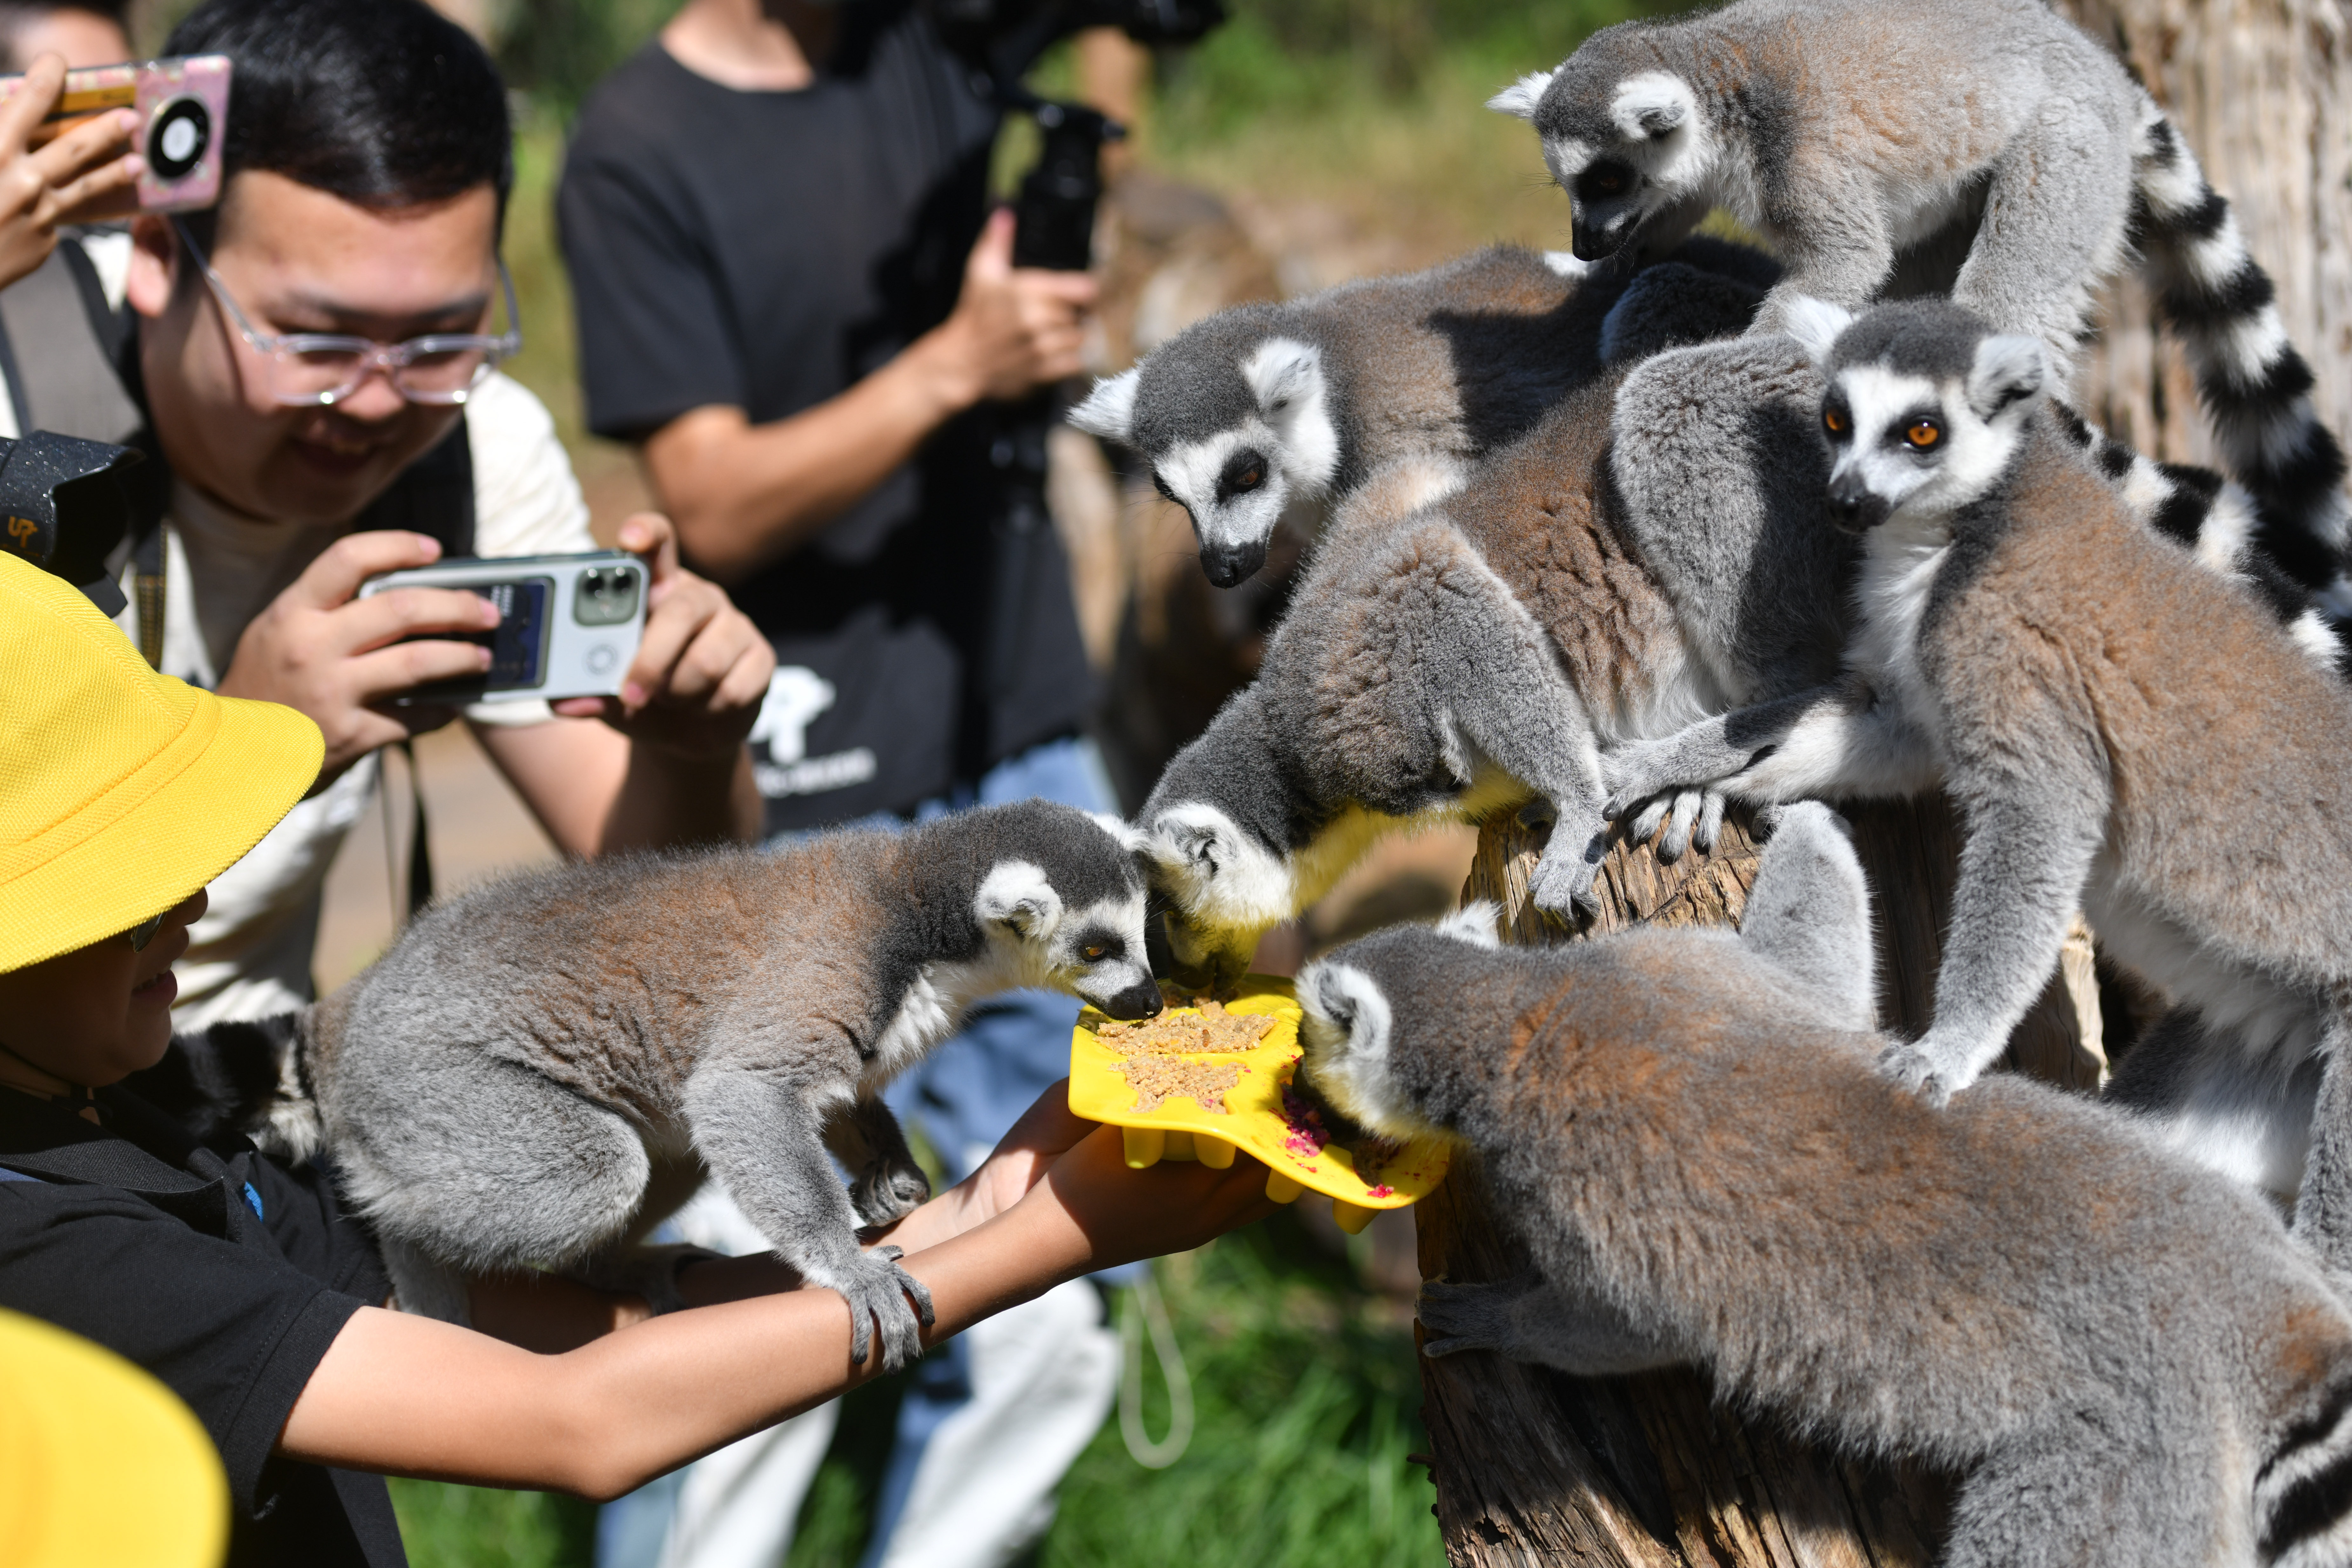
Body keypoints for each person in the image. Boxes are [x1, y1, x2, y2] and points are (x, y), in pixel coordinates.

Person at [0, 548, 1276, 1568]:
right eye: (128, 891)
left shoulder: (132, 1123)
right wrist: (1036, 1242)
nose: (197, 911)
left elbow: (555, 1331)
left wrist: (983, 1213)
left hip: (453, 1065)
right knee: (606, 1173)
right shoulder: (53, 1248)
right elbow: (582, 1417)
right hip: (484, 1072)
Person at [558, 1, 1128, 1561]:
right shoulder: (635, 150)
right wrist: (958, 363)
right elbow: (710, 498)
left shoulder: (931, 50)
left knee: (1069, 1249)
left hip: (1025, 734)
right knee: (763, 1290)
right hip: (806, 801)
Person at [0, 0, 774, 1033]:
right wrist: (248, 747)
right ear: (154, 251)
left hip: (238, 1110)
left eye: (441, 340)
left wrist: (696, 747)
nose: (375, 399)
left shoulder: (470, 444)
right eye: (316, 343)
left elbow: (656, 893)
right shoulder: (16, 390)